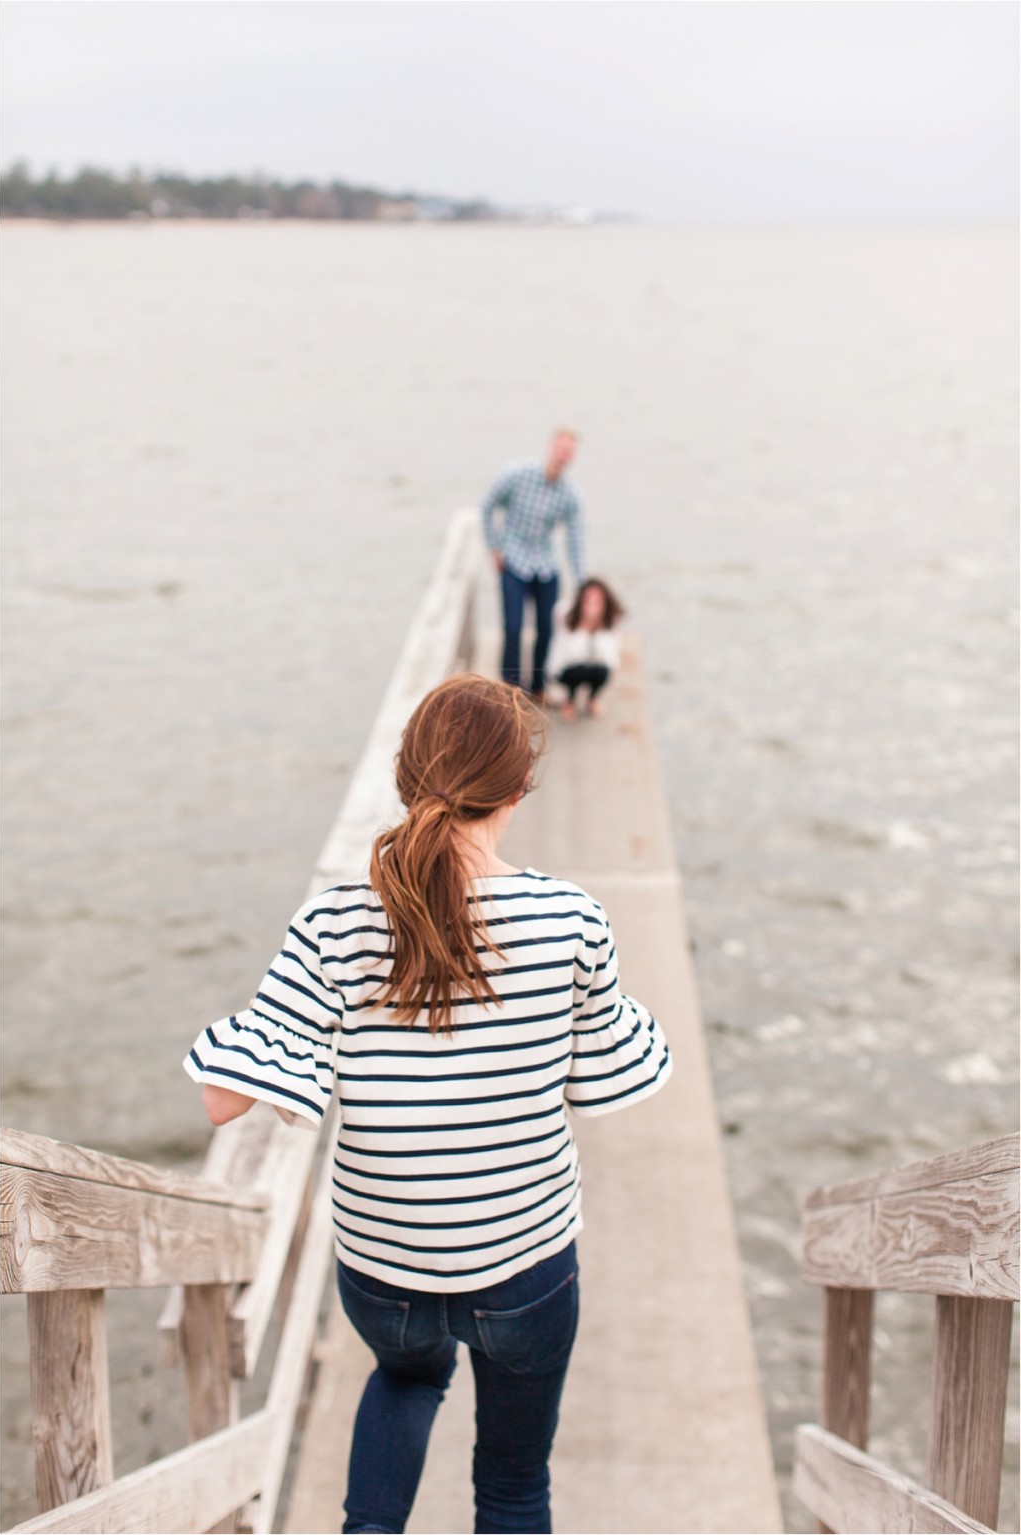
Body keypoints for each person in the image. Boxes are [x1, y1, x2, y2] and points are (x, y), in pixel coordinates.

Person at [184, 674, 671, 1534]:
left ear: (407, 778)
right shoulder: (571, 919)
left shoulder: (335, 922)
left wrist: (298, 1009)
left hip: (384, 1263)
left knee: (407, 1377)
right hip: (523, 1258)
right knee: (514, 1486)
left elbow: (225, 1100)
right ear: (519, 788)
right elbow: (613, 1069)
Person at [481, 429, 586, 701]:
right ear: (551, 446)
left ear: (573, 456)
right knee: (513, 627)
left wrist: (582, 584)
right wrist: (494, 546)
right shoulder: (517, 474)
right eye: (561, 448)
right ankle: (508, 689)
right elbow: (488, 505)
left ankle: (538, 686)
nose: (563, 454)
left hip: (545, 564)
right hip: (513, 559)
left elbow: (575, 541)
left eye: (569, 451)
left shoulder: (570, 495)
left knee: (546, 629)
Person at [548, 578, 625, 720]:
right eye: (589, 600)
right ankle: (570, 700)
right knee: (578, 671)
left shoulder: (610, 620)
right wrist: (585, 626)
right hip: (567, 669)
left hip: (594, 668)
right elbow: (570, 657)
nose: (592, 606)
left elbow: (610, 660)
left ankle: (592, 698)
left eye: (598, 601)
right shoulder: (565, 615)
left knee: (602, 671)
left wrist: (596, 628)